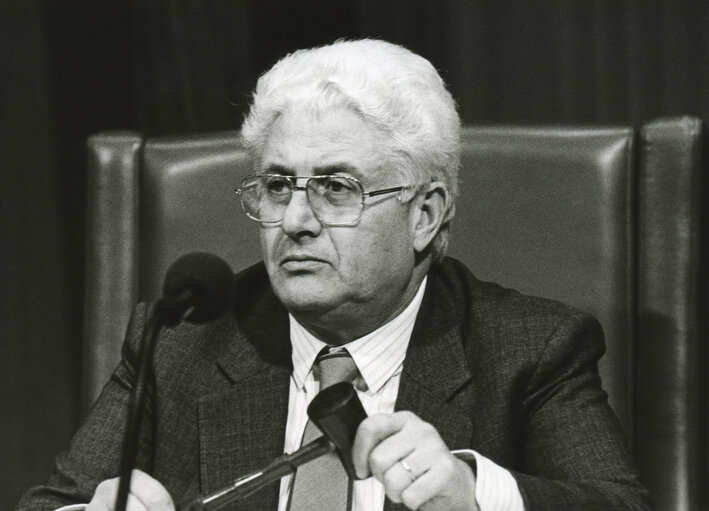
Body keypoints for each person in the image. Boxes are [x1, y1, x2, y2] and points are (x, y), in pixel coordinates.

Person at [17, 38, 651, 511]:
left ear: (424, 215)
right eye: (276, 185)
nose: (294, 220)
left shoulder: (529, 349)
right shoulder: (180, 345)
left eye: (336, 188)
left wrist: (475, 495)